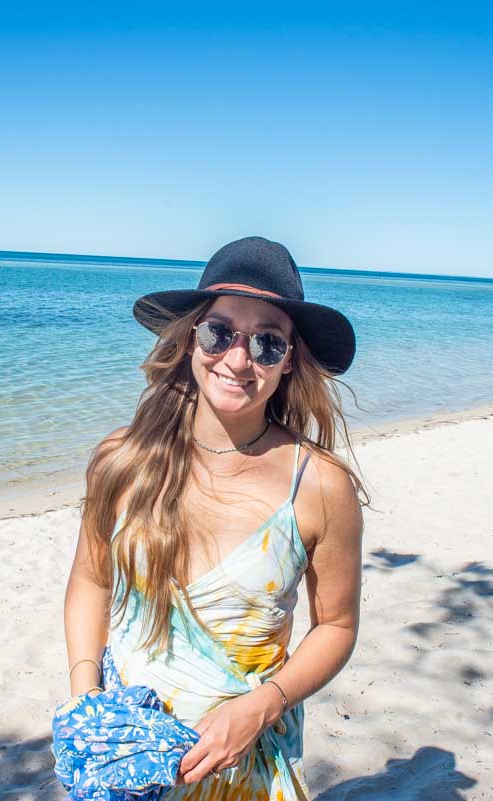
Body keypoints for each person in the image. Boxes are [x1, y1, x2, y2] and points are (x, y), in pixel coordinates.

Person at [63, 236, 366, 800]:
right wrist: (88, 696)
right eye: (219, 332)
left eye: (267, 343)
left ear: (289, 361)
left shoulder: (320, 485)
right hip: (126, 757)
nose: (237, 359)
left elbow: (337, 627)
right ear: (189, 341)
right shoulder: (121, 459)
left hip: (240, 772)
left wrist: (261, 706)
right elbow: (90, 579)